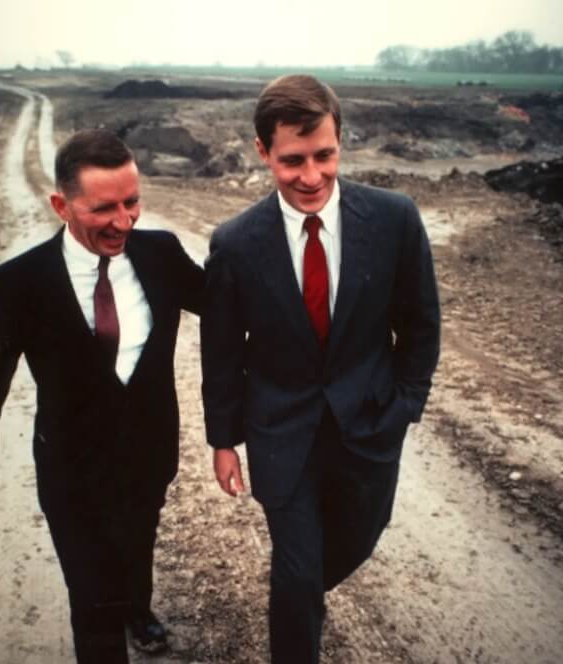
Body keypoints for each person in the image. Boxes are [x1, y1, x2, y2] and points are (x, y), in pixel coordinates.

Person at [201, 75, 440, 664]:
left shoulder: (394, 219)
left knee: (358, 538)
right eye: (292, 161)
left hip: (369, 423)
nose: (310, 177)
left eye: (324, 155)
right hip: (281, 433)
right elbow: (223, 350)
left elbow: (420, 322)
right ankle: (296, 607)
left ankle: (299, 593)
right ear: (263, 152)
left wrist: (406, 404)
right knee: (297, 574)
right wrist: (223, 440)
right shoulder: (234, 243)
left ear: (340, 142)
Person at [0, 128, 204, 663]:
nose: (123, 221)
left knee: (137, 545)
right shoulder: (22, 282)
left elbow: (229, 304)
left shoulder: (160, 253)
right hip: (71, 469)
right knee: (92, 601)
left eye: (132, 202)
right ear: (61, 205)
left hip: (148, 454)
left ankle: (138, 606)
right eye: (103, 208)